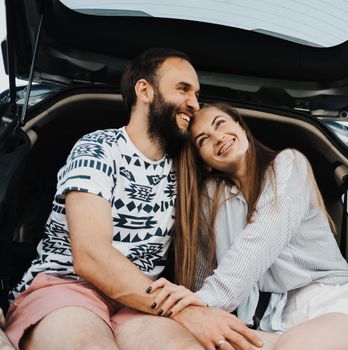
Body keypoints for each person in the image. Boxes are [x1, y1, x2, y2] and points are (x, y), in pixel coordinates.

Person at [4, 50, 262, 350]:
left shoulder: (186, 172)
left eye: (197, 93)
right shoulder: (99, 148)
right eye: (183, 89)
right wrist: (186, 312)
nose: (194, 103)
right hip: (68, 288)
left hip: (139, 306)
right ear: (145, 90)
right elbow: (92, 258)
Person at [148, 103, 348, 350]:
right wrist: (194, 308)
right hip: (273, 322)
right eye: (203, 140)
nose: (217, 137)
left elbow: (261, 238)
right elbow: (203, 274)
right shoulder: (213, 203)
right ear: (205, 164)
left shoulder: (288, 164)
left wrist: (207, 299)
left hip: (332, 302)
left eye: (220, 123)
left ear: (242, 129)